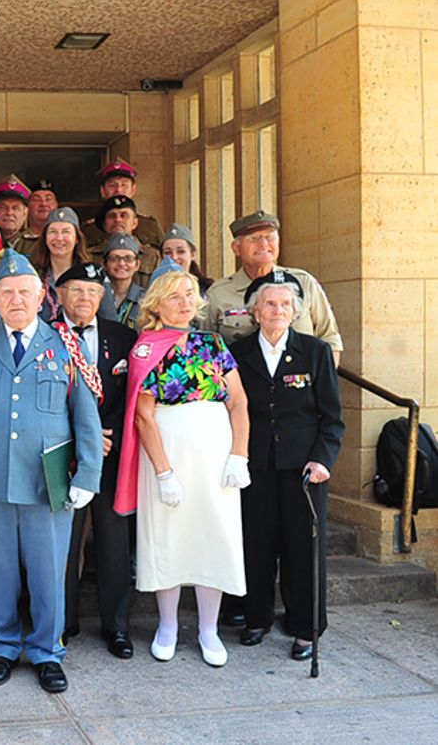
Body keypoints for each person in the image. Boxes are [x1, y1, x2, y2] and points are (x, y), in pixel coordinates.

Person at [0, 250, 103, 694]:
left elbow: (85, 415)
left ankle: (47, 651)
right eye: (7, 292)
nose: (16, 300)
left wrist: (88, 474)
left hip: (46, 483)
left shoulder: (66, 345)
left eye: (25, 292)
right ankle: (0, 648)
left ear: (41, 298)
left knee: (49, 572)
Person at [114, 268, 251, 667]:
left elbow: (238, 402)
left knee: (214, 535)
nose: (186, 302)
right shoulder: (146, 348)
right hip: (167, 455)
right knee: (168, 538)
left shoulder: (213, 344)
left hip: (216, 456)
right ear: (156, 303)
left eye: (191, 294)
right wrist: (163, 472)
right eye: (175, 295)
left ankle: (208, 629)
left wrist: (239, 454)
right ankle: (168, 626)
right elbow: (143, 417)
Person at [230, 272, 344, 660]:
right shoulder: (238, 353)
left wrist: (323, 459)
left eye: (285, 304)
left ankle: (305, 627)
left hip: (304, 467)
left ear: (295, 311)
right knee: (256, 542)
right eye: (270, 304)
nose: (278, 310)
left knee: (303, 547)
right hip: (255, 463)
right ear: (255, 311)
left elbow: (332, 416)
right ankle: (256, 618)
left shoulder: (315, 352)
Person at [56, 262, 138, 660]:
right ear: (59, 296)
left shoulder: (124, 338)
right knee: (63, 544)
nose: (84, 298)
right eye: (76, 291)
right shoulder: (47, 338)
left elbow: (136, 397)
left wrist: (111, 436)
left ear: (102, 296)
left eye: (91, 291)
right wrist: (80, 440)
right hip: (65, 456)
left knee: (113, 543)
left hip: (112, 453)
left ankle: (117, 626)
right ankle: (62, 622)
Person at [203, 210, 342, 363]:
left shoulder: (304, 282)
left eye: (270, 237)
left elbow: (330, 338)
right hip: (242, 384)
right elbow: (203, 349)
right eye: (254, 238)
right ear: (236, 247)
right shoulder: (218, 293)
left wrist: (322, 382)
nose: (263, 244)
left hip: (302, 383)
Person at [82, 160, 165, 285]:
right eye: (112, 185)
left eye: (124, 185)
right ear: (103, 191)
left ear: (133, 189)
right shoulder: (90, 229)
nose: (118, 190)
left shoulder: (150, 226)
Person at [33, 207, 118, 324]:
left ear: (77, 238)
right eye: (53, 231)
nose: (59, 238)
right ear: (45, 238)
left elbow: (110, 322)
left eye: (66, 231)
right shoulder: (33, 275)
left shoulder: (94, 276)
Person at [102, 233, 145, 330]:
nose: (121, 263)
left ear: (137, 265)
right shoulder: (96, 297)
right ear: (104, 264)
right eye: (114, 258)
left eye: (128, 259)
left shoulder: (147, 299)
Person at [160, 223, 213, 295]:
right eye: (168, 252)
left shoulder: (208, 290)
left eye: (181, 251)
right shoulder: (155, 288)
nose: (174, 257)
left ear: (193, 254)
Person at [0, 175, 31, 253]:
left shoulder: (37, 247)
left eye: (15, 208)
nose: (9, 213)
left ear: (25, 214)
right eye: (3, 207)